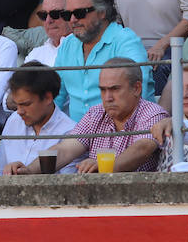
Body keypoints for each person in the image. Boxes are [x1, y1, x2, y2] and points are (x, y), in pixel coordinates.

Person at [22, 58, 166, 173]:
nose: (107, 97)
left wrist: (104, 167)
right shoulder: (95, 114)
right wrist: (28, 170)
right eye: (103, 90)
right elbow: (65, 150)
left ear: (136, 88)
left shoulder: (152, 113)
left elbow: (141, 149)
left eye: (114, 89)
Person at [53, 0, 150, 118]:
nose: (73, 20)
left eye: (80, 13)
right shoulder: (68, 44)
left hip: (120, 133)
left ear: (102, 12)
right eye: (67, 15)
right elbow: (54, 96)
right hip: (74, 135)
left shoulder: (125, 41)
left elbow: (137, 96)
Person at [0, 63, 77, 174]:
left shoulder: (70, 132)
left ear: (48, 98)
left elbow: (69, 184)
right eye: (17, 104)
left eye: (26, 104)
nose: (20, 111)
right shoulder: (14, 120)